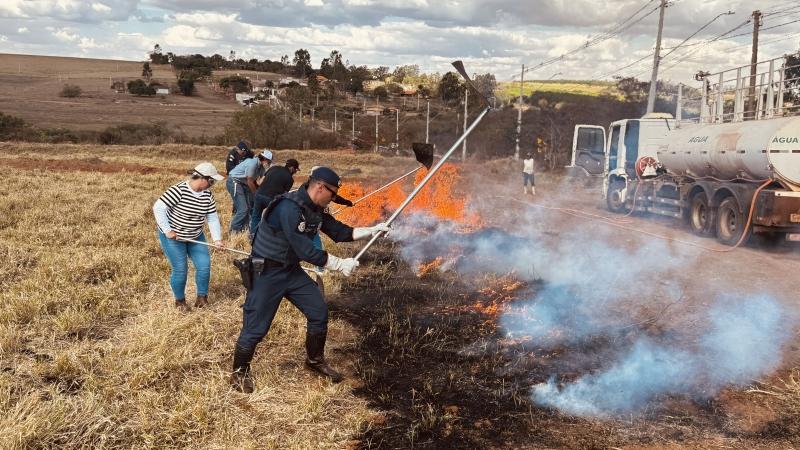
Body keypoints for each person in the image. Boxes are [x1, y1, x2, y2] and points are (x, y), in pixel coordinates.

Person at [230, 167, 390, 393]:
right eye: (333, 195)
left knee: (318, 312)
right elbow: (305, 250)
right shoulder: (288, 208)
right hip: (267, 273)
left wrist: (372, 231)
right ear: (320, 187)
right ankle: (239, 373)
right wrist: (339, 264)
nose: (333, 200)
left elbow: (340, 232)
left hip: (291, 271)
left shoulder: (315, 209)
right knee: (256, 328)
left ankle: (314, 360)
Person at [153, 162, 225, 311]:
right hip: (175, 238)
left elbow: (212, 218)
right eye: (211, 181)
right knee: (181, 269)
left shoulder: (207, 196)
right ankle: (180, 302)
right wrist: (167, 230)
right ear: (202, 178)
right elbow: (158, 207)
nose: (212, 185)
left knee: (204, 266)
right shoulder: (178, 191)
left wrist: (217, 239)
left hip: (195, 236)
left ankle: (202, 299)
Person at [250, 158, 300, 235]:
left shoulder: (274, 168)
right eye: (296, 170)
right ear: (292, 168)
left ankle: (253, 235)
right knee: (271, 218)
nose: (296, 172)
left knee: (256, 216)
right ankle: (269, 235)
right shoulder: (290, 179)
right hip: (270, 199)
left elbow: (260, 182)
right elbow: (284, 195)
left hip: (259, 194)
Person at [227, 150, 272, 233]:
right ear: (265, 160)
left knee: (248, 208)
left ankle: (244, 229)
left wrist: (267, 172)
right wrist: (256, 195)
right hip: (235, 181)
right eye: (269, 161)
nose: (269, 163)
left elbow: (258, 182)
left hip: (243, 184)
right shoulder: (253, 163)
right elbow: (250, 181)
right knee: (243, 209)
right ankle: (233, 231)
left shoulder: (261, 167)